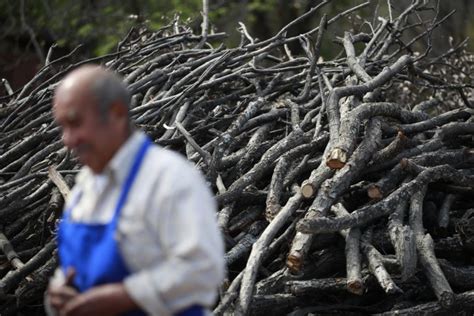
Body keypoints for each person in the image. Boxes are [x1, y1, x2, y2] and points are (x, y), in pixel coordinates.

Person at [46, 65, 225, 316]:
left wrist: (126, 296)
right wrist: (57, 294)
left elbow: (203, 270)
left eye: (75, 123)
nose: (67, 139)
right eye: (62, 126)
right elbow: (70, 273)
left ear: (117, 113)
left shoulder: (169, 178)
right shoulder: (83, 191)